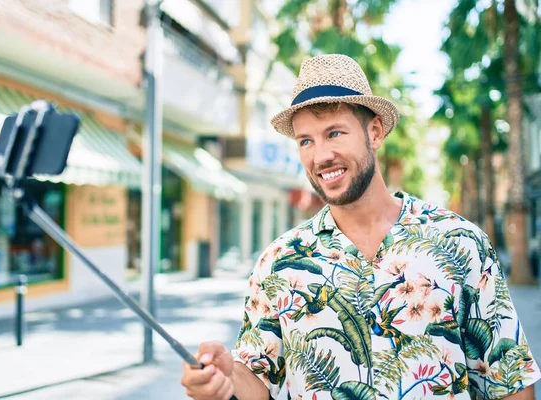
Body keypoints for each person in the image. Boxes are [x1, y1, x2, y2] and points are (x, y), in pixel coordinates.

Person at [180, 54, 540, 400]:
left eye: (334, 133)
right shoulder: (279, 262)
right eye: (306, 140)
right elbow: (259, 380)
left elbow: (509, 380)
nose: (320, 156)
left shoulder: (459, 244)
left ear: (375, 131)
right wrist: (226, 380)